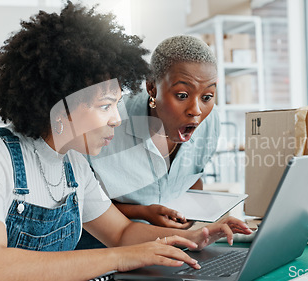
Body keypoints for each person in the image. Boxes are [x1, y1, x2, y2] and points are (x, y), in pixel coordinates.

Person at [0, 3, 252, 281]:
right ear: (62, 104)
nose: (117, 119)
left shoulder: (75, 167)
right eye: (105, 106)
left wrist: (192, 236)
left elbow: (122, 233)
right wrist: (122, 258)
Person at [77, 35, 221, 249]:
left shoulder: (210, 122)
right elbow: (83, 205)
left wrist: (192, 213)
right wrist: (143, 212)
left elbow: (191, 178)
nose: (196, 111)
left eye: (207, 97)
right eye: (182, 95)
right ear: (152, 88)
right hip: (103, 245)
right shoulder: (108, 124)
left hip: (176, 242)